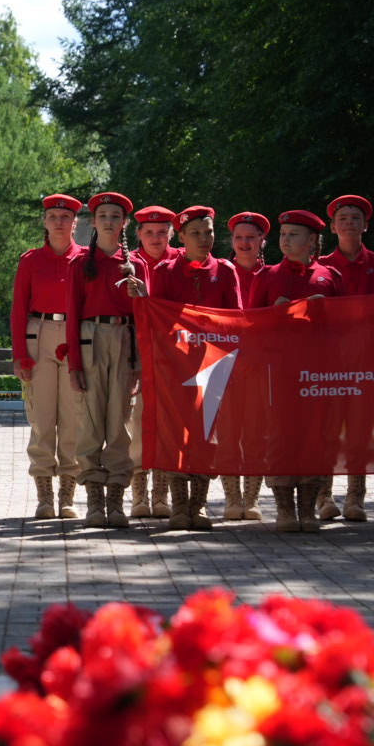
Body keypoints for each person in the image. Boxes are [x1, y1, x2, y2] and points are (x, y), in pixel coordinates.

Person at [147, 206, 244, 529]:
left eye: (209, 232)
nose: (204, 239)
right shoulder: (164, 271)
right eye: (196, 234)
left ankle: (198, 505)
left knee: (207, 434)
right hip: (176, 366)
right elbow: (157, 321)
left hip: (215, 365)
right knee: (176, 432)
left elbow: (236, 321)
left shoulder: (226, 270)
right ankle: (177, 505)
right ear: (183, 238)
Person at [251, 209, 343, 532]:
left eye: (294, 234)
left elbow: (348, 328)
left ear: (313, 240)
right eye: (283, 234)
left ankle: (308, 508)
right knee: (279, 434)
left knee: (316, 434)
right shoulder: (267, 275)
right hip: (279, 371)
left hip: (318, 372)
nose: (285, 240)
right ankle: (284, 509)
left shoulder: (330, 276)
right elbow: (249, 325)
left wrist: (326, 314)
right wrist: (272, 316)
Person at [66, 192, 147, 528]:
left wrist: (140, 295)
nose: (110, 221)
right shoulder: (80, 264)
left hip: (125, 341)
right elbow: (72, 314)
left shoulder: (136, 265)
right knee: (90, 422)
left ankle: (116, 500)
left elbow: (144, 316)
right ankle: (94, 502)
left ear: (125, 223)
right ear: (94, 223)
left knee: (119, 422)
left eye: (116, 216)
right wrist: (73, 365)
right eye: (103, 216)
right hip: (90, 340)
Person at [313, 194, 374, 523]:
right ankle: (323, 496)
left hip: (368, 362)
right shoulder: (321, 268)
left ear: (365, 225)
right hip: (329, 363)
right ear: (332, 227)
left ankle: (355, 498)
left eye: (355, 217)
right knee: (327, 428)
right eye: (342, 218)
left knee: (360, 429)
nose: (349, 222)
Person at [12, 194, 86, 519]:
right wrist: (19, 354)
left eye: (65, 217)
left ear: (75, 223)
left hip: (75, 336)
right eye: (53, 216)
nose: (59, 222)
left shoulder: (86, 260)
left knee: (72, 419)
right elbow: (17, 310)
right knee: (42, 418)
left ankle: (67, 496)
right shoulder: (30, 260)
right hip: (38, 335)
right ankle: (44, 497)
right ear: (44, 222)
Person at [127, 205, 177, 519]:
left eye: (162, 232)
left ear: (171, 234)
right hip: (136, 351)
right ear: (139, 234)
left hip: (175, 356)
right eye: (149, 233)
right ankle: (138, 496)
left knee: (169, 424)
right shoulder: (128, 263)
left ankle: (162, 495)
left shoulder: (182, 262)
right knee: (137, 422)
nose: (156, 238)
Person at [225, 211, 272, 520]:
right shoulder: (220, 271)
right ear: (231, 241)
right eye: (239, 237)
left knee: (256, 432)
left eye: (251, 237)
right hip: (224, 365)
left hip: (261, 366)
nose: (245, 243)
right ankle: (231, 498)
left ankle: (252, 498)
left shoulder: (272, 275)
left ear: (261, 242)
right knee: (228, 432)